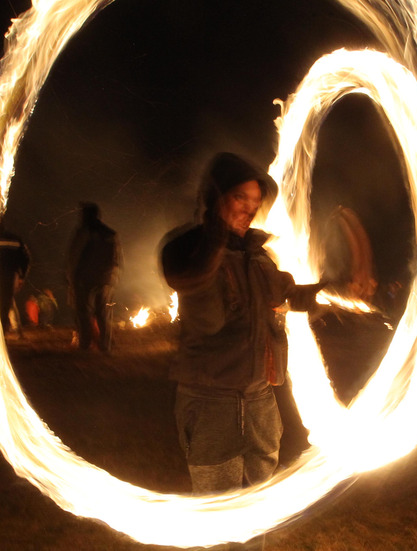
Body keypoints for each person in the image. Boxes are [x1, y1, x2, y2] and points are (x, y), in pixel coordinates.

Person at [160, 152, 325, 503]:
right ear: (215, 196)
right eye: (239, 198)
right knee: (221, 514)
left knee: (256, 511)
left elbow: (289, 294)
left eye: (255, 201)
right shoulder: (186, 250)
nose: (249, 209)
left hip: (259, 402)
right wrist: (217, 236)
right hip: (209, 404)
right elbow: (207, 318)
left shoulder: (257, 257)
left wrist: (335, 287)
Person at [66, 202, 121, 352]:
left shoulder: (84, 231)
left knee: (84, 312)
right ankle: (106, 346)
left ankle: (85, 345)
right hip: (106, 280)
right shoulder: (111, 234)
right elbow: (117, 260)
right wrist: (113, 279)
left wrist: (71, 279)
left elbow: (74, 256)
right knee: (104, 314)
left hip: (85, 279)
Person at [0, 225, 31, 339]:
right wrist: (22, 275)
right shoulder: (16, 239)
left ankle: (1, 331)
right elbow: (26, 258)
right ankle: (14, 330)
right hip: (12, 274)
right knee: (8, 301)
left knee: (1, 302)